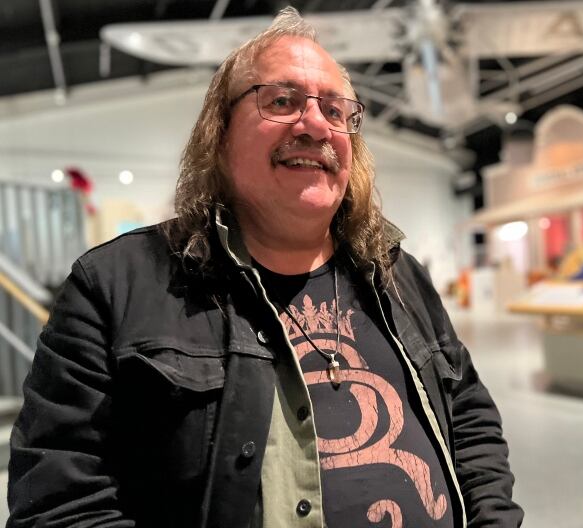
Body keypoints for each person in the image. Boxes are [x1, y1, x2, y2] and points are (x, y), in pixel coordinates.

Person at [7, 7, 523, 528]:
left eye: (337, 111)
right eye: (283, 101)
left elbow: (470, 418)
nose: (316, 124)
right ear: (220, 134)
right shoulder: (116, 286)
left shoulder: (396, 274)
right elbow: (59, 502)